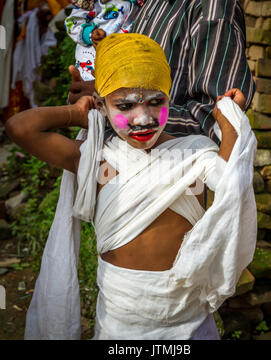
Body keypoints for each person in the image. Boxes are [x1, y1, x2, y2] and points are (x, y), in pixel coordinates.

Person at [5, 33, 257, 340]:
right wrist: (75, 113)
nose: (143, 119)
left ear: (169, 99)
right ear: (102, 104)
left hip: (188, 319)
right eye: (124, 105)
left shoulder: (195, 155)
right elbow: (19, 127)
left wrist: (229, 120)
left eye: (156, 102)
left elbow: (232, 182)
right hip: (120, 321)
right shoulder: (98, 161)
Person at [68, 0, 256, 144]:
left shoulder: (213, 9)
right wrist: (104, 92)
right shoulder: (150, 5)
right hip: (126, 171)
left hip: (173, 180)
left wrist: (114, 110)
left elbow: (213, 122)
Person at [65, 0, 140, 80]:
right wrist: (89, 34)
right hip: (92, 52)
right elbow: (72, 24)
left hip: (122, 49)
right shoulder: (91, 4)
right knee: (95, 81)